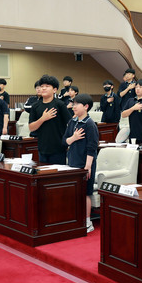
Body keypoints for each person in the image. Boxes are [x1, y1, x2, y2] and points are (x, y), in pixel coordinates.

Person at [63, 93, 100, 234]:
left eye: (77, 104)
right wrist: (73, 138)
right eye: (73, 104)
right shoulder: (72, 122)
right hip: (72, 161)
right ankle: (76, 220)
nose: (73, 107)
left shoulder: (90, 124)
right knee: (75, 191)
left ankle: (88, 222)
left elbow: (92, 147)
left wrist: (88, 166)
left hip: (85, 164)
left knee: (86, 192)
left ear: (86, 106)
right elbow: (64, 141)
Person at [28, 75, 71, 164]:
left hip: (58, 148)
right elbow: (31, 127)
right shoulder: (35, 106)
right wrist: (43, 118)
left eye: (47, 86)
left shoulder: (60, 105)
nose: (43, 88)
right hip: (42, 148)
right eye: (42, 86)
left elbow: (70, 123)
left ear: (54, 90)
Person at [121, 78, 142, 144]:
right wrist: (133, 108)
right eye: (136, 87)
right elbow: (123, 115)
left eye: (140, 87)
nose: (137, 89)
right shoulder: (130, 101)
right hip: (132, 136)